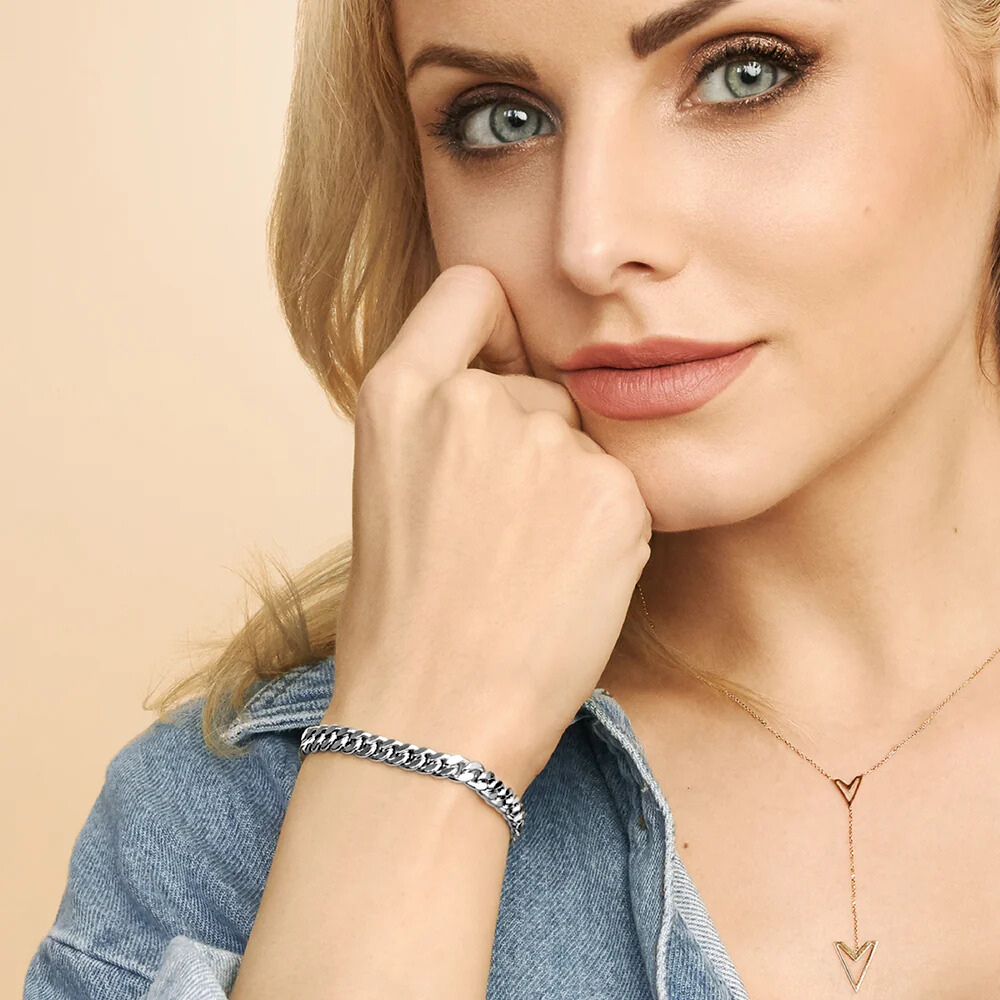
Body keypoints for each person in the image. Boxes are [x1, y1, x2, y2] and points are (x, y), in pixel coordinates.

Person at [24, 0, 1000, 996]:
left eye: (744, 73)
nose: (590, 242)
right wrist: (415, 750)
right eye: (502, 118)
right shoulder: (224, 830)